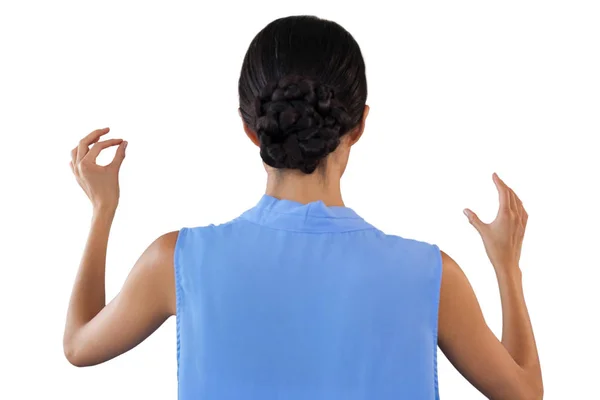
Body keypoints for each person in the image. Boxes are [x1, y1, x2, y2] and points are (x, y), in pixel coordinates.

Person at [63, 15, 543, 400]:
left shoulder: (175, 261)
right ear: (359, 127)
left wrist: (102, 211)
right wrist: (507, 268)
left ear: (251, 130)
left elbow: (79, 346)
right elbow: (524, 392)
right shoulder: (433, 275)